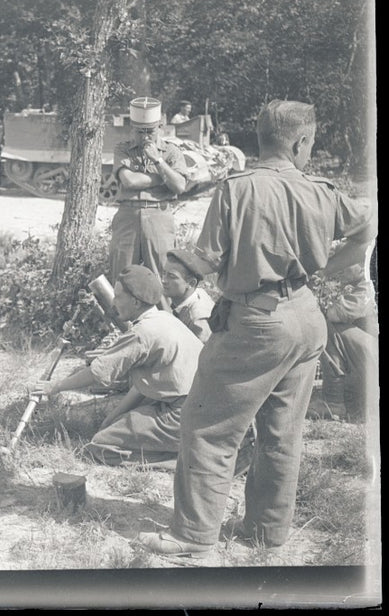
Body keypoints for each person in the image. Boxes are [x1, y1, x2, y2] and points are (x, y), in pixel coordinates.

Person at [137, 100, 375, 556]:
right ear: (301, 142)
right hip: (307, 317)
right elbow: (368, 226)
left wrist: (174, 269)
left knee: (208, 426)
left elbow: (206, 259)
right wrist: (325, 267)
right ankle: (268, 533)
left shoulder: (237, 189)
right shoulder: (322, 190)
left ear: (260, 137)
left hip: (257, 321)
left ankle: (192, 536)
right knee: (282, 433)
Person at [35, 266, 202, 468]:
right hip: (201, 406)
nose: (114, 302)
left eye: (119, 296)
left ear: (135, 301)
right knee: (113, 429)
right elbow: (142, 387)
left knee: (100, 446)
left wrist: (54, 387)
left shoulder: (142, 333)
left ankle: (187, 461)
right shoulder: (163, 318)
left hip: (183, 414)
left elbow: (97, 372)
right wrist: (112, 419)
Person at [109, 97, 191, 278]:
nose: (145, 137)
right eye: (140, 132)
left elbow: (179, 185)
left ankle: (164, 308)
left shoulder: (172, 151)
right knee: (122, 276)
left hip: (159, 217)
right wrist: (164, 177)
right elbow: (129, 181)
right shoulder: (123, 149)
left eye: (150, 131)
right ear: (132, 128)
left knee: (162, 275)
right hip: (127, 218)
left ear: (160, 127)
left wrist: (158, 160)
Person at [313, 261, 376, 423]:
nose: (339, 270)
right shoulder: (364, 286)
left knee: (325, 325)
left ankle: (333, 401)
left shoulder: (366, 288)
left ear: (362, 267)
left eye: (347, 262)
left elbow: (333, 315)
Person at [162, 249, 216, 343]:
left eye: (171, 276)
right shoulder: (195, 293)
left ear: (191, 283)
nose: (164, 280)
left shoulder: (197, 322)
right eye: (164, 273)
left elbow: (198, 355)